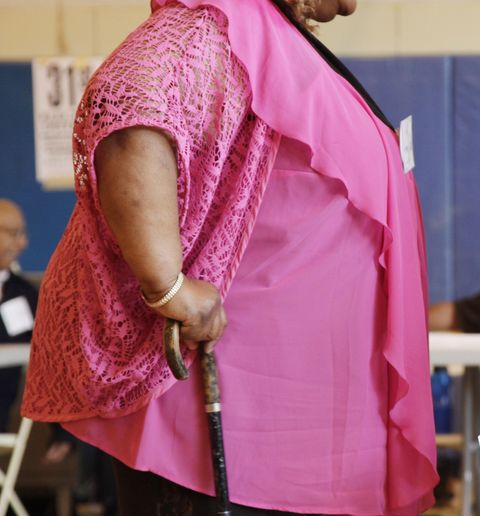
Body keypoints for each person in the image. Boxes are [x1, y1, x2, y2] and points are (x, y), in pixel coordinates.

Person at [22, 1, 437, 514]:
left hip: (299, 434)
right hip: (226, 431)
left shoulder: (273, 35)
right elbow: (130, 109)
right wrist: (168, 286)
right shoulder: (221, 19)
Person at [0, 199, 36, 431]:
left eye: (23, 233)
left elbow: (47, 356)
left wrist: (61, 434)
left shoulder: (24, 292)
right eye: (14, 233)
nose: (22, 243)